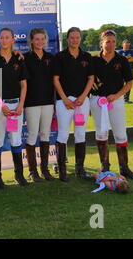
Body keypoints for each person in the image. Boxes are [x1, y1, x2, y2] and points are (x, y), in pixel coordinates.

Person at [90, 30, 133, 180]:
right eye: (107, 41)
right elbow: (88, 80)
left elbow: (129, 82)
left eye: (113, 41)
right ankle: (105, 166)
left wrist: (117, 96)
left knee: (120, 133)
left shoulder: (122, 60)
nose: (110, 45)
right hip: (97, 101)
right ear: (101, 43)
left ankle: (124, 167)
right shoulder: (94, 60)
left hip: (116, 101)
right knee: (101, 133)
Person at [0, 28, 29, 189]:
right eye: (2, 37)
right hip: (0, 106)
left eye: (7, 37)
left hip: (16, 106)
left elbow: (24, 85)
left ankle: (19, 175)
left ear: (13, 40)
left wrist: (20, 105)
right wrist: (2, 105)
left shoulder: (19, 60)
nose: (4, 40)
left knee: (16, 139)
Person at [53, 27, 94, 181]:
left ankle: (80, 169)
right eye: (72, 37)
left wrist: (83, 97)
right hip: (64, 102)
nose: (74, 40)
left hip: (82, 102)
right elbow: (55, 80)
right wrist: (64, 98)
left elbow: (91, 79)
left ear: (80, 39)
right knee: (63, 134)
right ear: (67, 38)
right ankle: (62, 169)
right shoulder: (60, 57)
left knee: (80, 134)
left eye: (77, 37)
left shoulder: (87, 56)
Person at [23, 28, 56, 183]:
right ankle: (32, 171)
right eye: (37, 39)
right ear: (31, 40)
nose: (40, 41)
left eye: (42, 38)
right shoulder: (25, 58)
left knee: (45, 134)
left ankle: (44, 170)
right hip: (31, 103)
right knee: (31, 134)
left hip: (48, 102)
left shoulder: (51, 57)